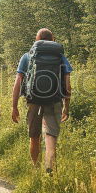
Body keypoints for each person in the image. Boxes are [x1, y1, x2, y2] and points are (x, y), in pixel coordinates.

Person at [11, 28, 71, 173]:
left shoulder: (28, 56)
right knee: (51, 136)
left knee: (34, 136)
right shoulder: (60, 57)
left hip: (34, 100)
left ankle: (36, 169)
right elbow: (67, 83)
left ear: (36, 40)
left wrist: (14, 106)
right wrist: (66, 106)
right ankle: (49, 168)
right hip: (54, 100)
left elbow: (18, 82)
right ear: (53, 39)